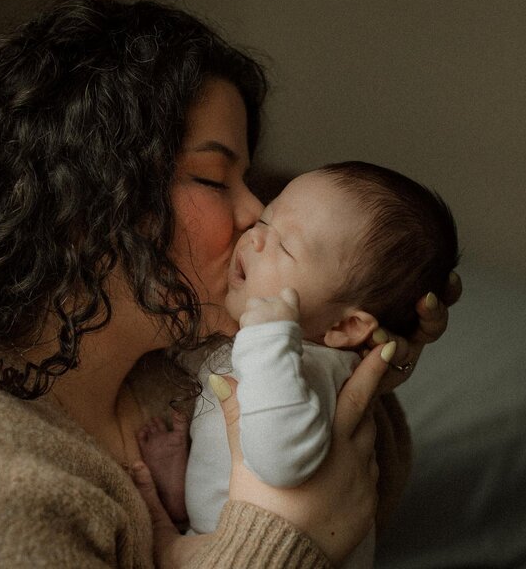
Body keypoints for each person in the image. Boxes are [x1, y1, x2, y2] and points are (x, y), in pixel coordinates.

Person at [0, 0, 459, 568]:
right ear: (86, 198)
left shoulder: (169, 367)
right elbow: (315, 523)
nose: (254, 216)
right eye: (216, 180)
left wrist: (352, 363)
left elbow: (349, 505)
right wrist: (279, 541)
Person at [137, 162, 459, 567]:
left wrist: (266, 338)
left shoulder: (309, 368)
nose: (253, 236)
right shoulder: (269, 345)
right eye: (268, 218)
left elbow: (282, 459)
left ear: (345, 325)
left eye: (285, 246)